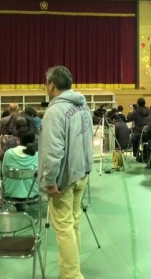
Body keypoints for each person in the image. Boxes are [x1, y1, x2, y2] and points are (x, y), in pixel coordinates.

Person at [38, 66, 93, 279]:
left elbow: (52, 151)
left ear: (52, 85)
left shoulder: (54, 112)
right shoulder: (83, 106)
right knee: (73, 223)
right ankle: (70, 271)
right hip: (81, 173)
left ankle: (72, 275)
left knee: (63, 229)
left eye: (46, 83)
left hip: (64, 180)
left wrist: (50, 180)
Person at [2, 126, 38, 211]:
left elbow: (3, 173)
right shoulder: (36, 155)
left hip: (11, 192)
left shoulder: (8, 154)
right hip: (31, 192)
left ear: (18, 140)